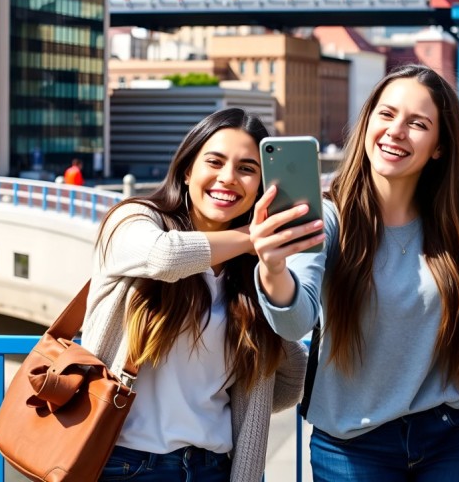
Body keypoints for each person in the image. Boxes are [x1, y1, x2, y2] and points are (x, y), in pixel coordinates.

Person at [250, 65, 459, 481]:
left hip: (454, 436)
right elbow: (294, 323)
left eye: (418, 124)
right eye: (386, 114)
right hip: (352, 444)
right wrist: (273, 267)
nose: (396, 131)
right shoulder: (327, 217)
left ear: (439, 146)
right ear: (367, 124)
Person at [81, 108, 307, 482]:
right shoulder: (134, 220)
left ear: (261, 187)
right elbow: (163, 257)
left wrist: (272, 274)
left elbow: (290, 376)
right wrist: (254, 239)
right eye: (214, 162)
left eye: (247, 169)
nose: (228, 178)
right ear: (187, 170)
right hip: (125, 463)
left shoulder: (250, 272)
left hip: (211, 467)